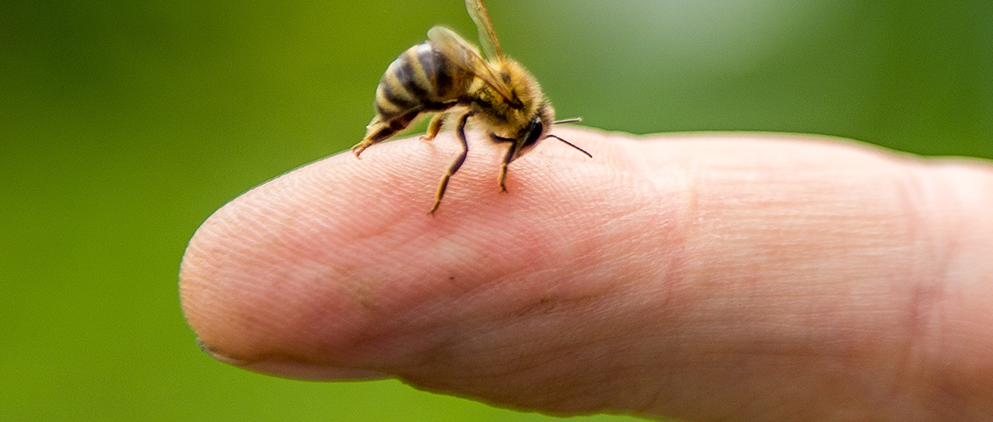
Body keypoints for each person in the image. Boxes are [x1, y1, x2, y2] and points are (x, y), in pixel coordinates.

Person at [179, 128, 993, 421]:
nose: (523, 148)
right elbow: (461, 128)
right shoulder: (482, 113)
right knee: (450, 138)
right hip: (436, 103)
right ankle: (383, 139)